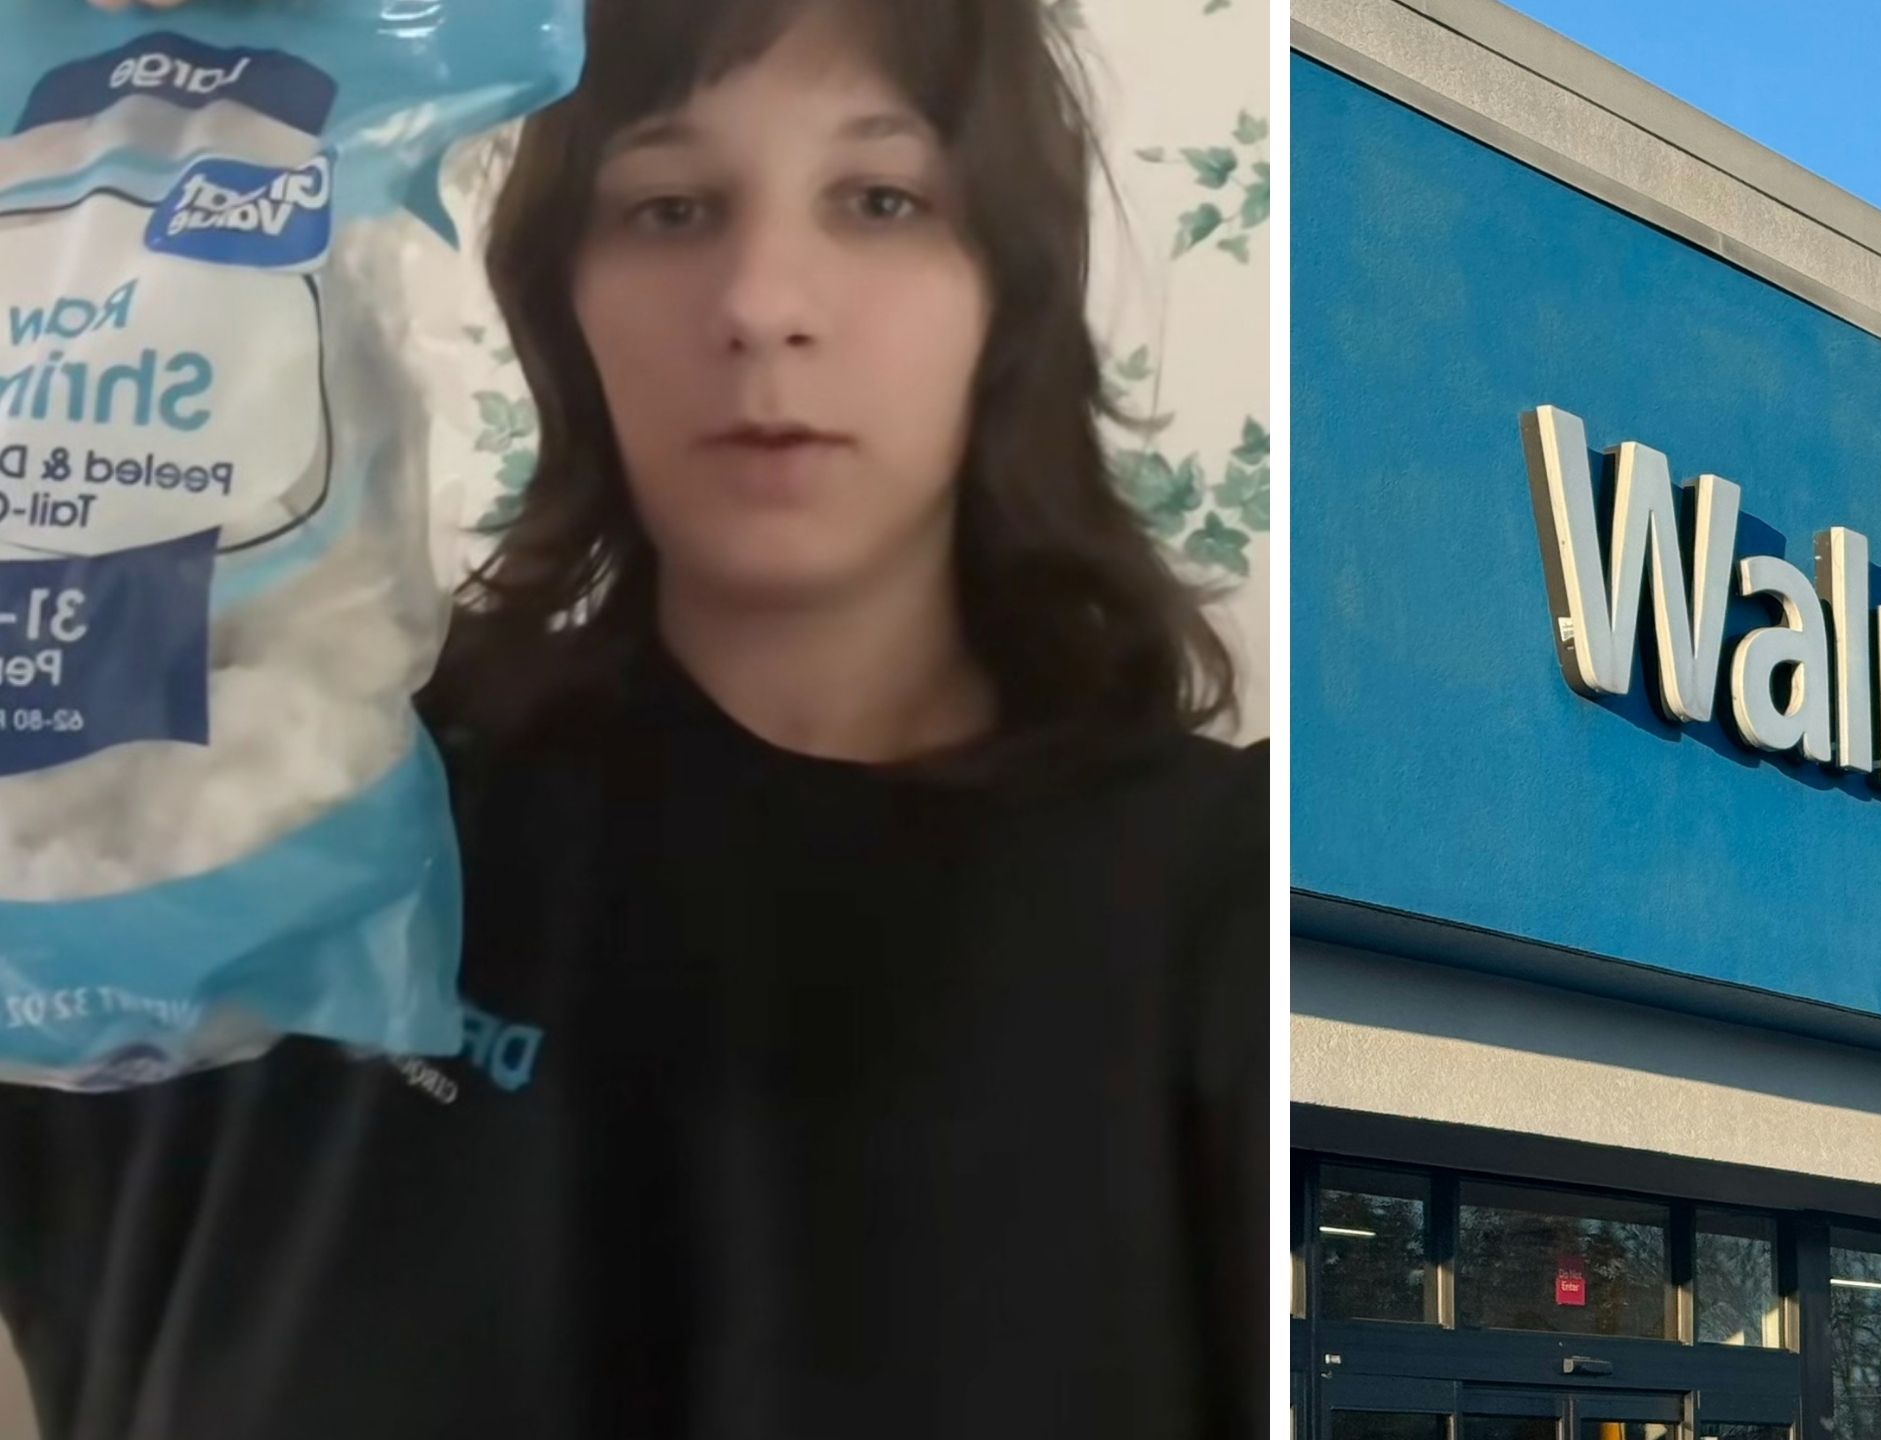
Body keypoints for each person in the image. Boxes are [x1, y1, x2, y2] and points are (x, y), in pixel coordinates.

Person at [0, 0, 1268, 1436]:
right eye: (669, 206)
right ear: (562, 298)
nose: (761, 299)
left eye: (881, 197)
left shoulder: (1223, 901)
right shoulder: (323, 796)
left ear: (1009, 291)